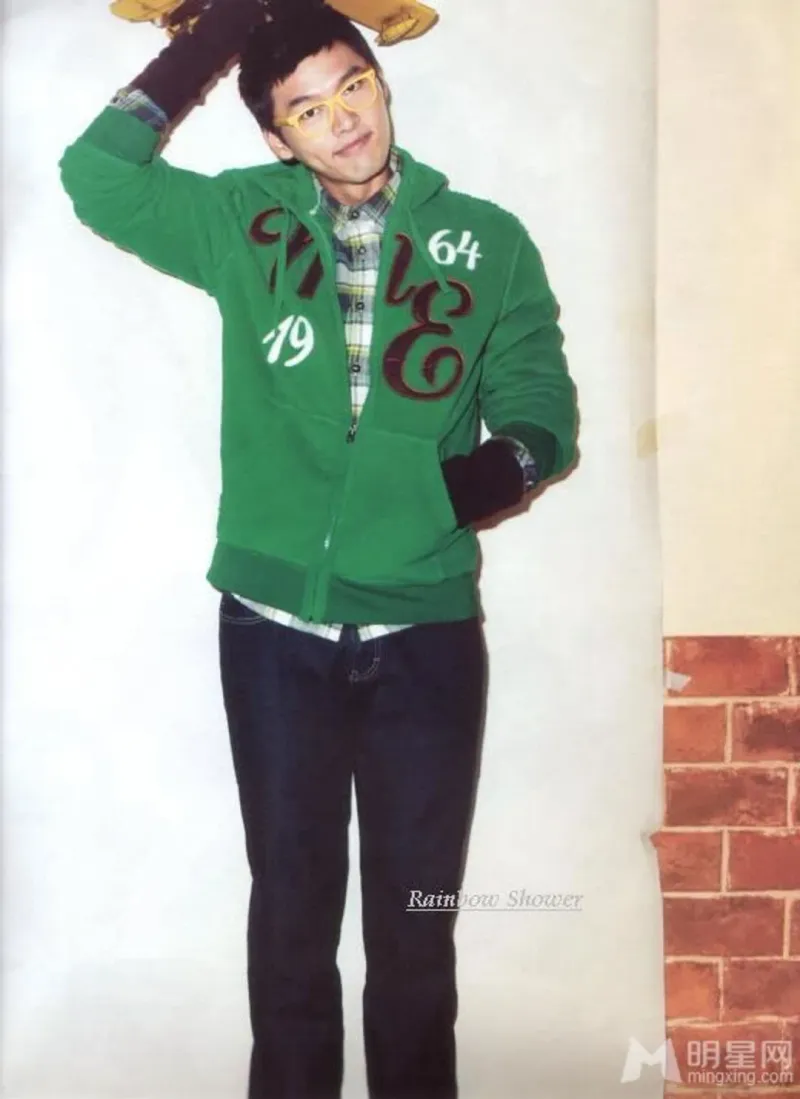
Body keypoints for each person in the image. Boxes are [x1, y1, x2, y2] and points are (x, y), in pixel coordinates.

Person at [59, 0, 578, 1095]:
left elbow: (541, 411)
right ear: (275, 136)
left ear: (380, 84)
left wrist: (451, 493)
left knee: (416, 933)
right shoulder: (239, 219)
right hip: (273, 633)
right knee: (291, 927)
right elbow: (96, 174)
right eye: (306, 109)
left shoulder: (487, 239)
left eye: (353, 86)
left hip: (427, 637)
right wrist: (216, 34)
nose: (342, 119)